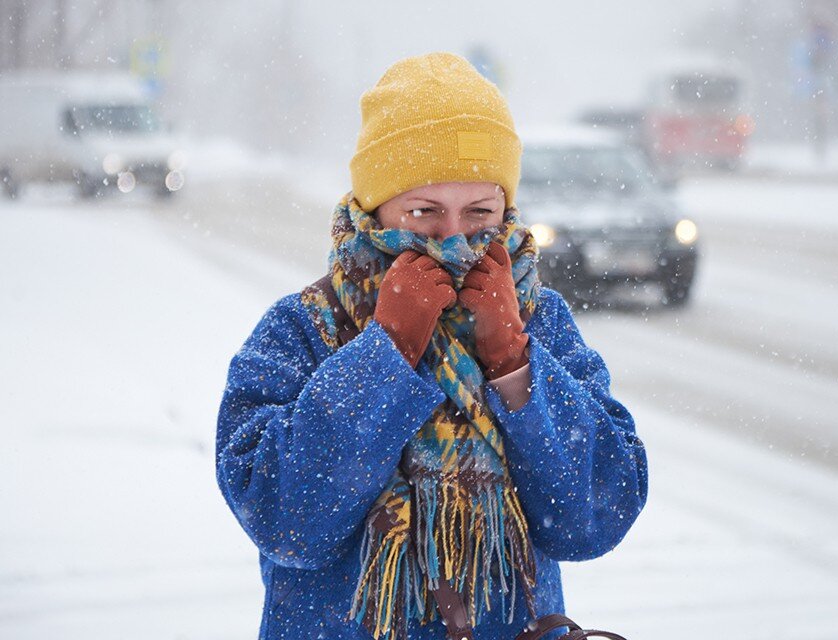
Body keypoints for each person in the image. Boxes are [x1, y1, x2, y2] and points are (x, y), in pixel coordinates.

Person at [215, 52, 648, 640]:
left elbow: (595, 516)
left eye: (479, 213)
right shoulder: (303, 328)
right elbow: (287, 522)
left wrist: (514, 362)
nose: (454, 239)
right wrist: (387, 351)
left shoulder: (539, 321)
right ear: (375, 210)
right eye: (423, 212)